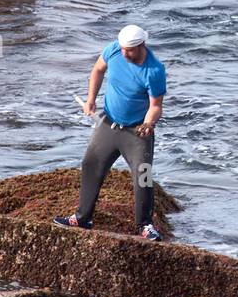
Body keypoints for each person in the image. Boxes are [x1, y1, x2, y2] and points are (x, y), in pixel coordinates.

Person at [53, 24, 166, 240]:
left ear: (141, 45)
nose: (124, 53)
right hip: (109, 123)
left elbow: (156, 106)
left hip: (137, 130)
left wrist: (149, 123)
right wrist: (91, 99)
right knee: (90, 164)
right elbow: (97, 69)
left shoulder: (154, 71)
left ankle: (145, 225)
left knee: (143, 175)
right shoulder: (113, 49)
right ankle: (82, 217)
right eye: (122, 48)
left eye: (129, 50)